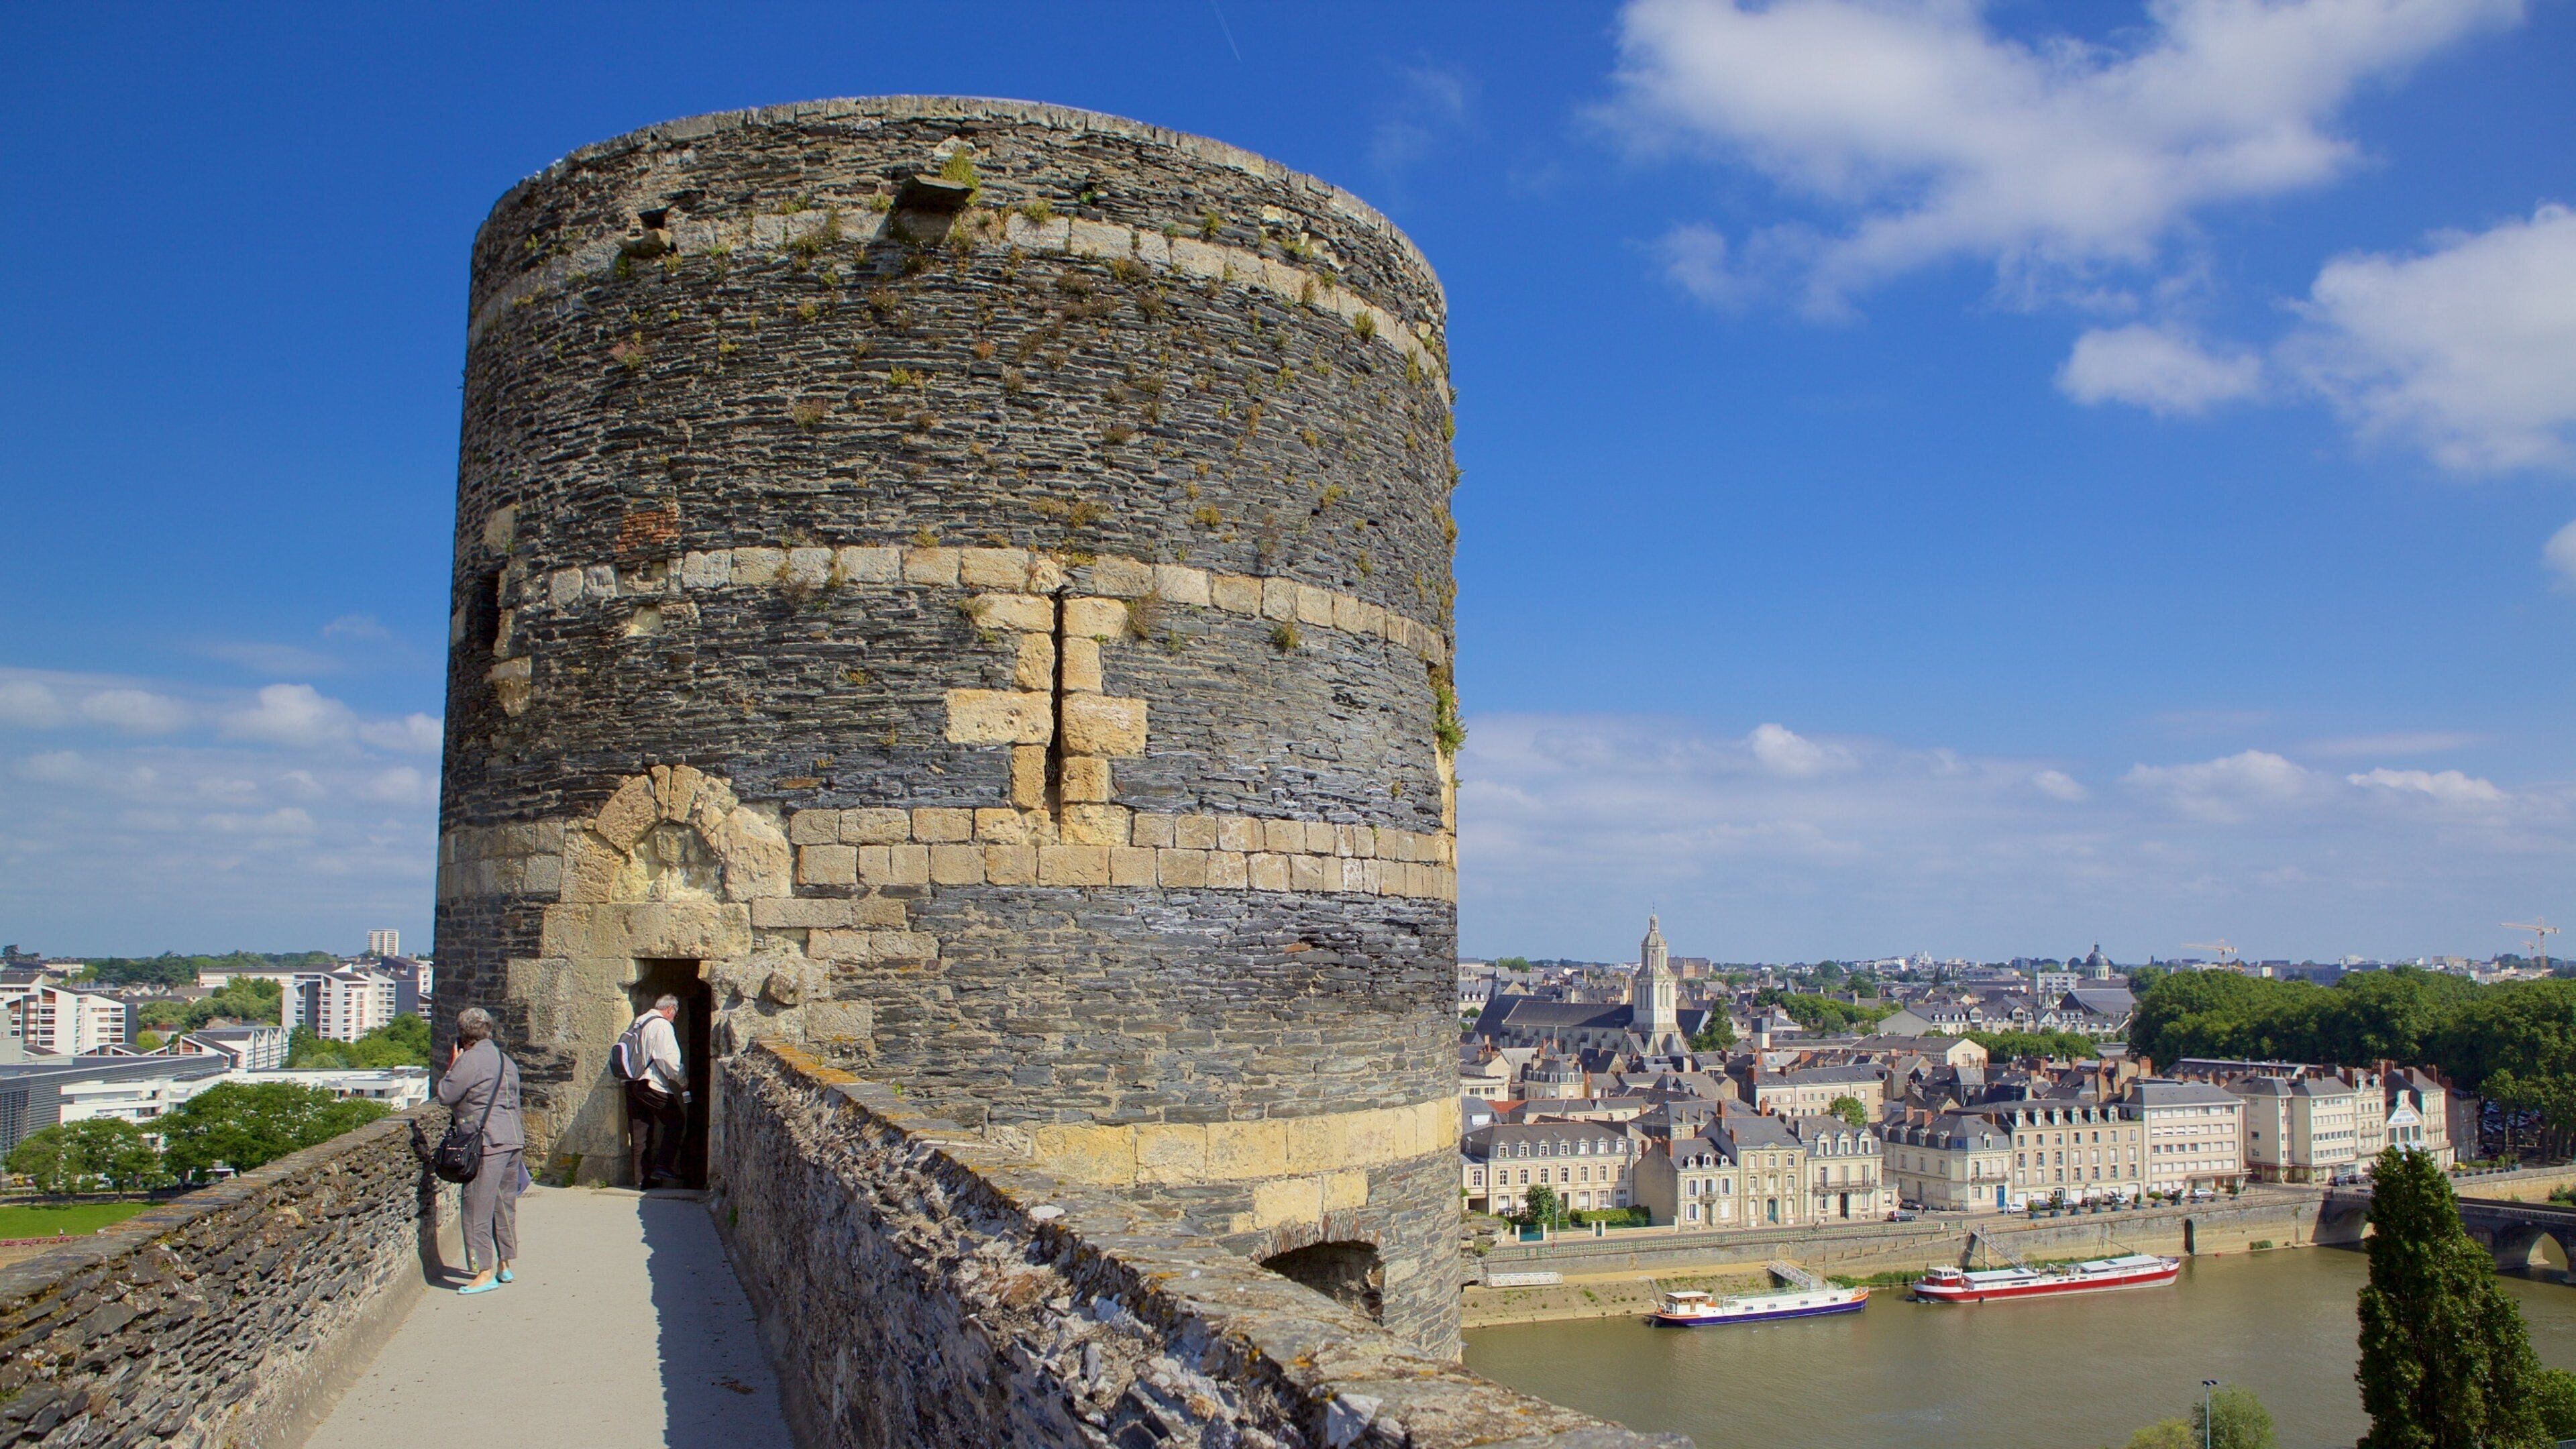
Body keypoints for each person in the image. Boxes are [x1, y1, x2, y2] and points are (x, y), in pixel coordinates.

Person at [436, 1006, 523, 1294]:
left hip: (486, 1142)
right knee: (504, 1204)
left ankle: (483, 1271)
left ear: (463, 1035)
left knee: (476, 1206)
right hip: (511, 1138)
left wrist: (452, 1066)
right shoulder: (505, 1059)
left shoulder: (470, 1061)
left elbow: (446, 1095)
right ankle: (504, 1264)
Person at [623, 994, 688, 1189]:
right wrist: (682, 1081)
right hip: (651, 1083)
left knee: (640, 1131)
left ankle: (641, 1179)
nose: (674, 1019)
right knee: (676, 1121)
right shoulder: (662, 1025)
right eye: (675, 1015)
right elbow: (668, 1060)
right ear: (670, 1010)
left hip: (632, 1082)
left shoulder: (639, 1021)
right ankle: (663, 1165)